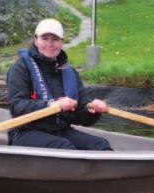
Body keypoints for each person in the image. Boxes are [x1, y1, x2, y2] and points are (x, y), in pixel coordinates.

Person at [6, 18, 112, 150]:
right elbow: (17, 107)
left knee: (100, 145)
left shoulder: (70, 72)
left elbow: (81, 117)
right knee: (64, 147)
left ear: (62, 42)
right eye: (45, 38)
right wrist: (51, 104)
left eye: (55, 39)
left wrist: (93, 110)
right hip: (25, 131)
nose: (50, 44)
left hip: (59, 130)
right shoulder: (20, 68)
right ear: (35, 40)